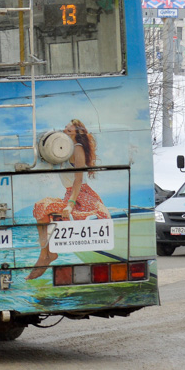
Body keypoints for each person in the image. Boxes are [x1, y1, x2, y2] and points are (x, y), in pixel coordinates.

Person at [27, 120, 109, 280]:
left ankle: (47, 254)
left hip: (80, 195)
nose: (65, 128)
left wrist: (71, 204)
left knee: (43, 207)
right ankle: (46, 253)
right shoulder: (63, 149)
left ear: (77, 132)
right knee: (41, 208)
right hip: (70, 193)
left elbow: (78, 179)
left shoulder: (77, 149)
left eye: (69, 127)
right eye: (65, 126)